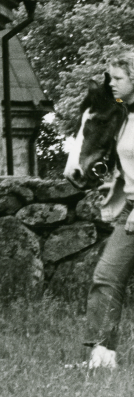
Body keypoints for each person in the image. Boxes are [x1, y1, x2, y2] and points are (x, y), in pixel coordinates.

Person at [83, 49, 134, 369]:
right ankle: (102, 357)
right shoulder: (125, 117)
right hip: (130, 206)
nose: (111, 84)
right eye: (110, 78)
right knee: (107, 276)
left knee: (107, 275)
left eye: (118, 78)